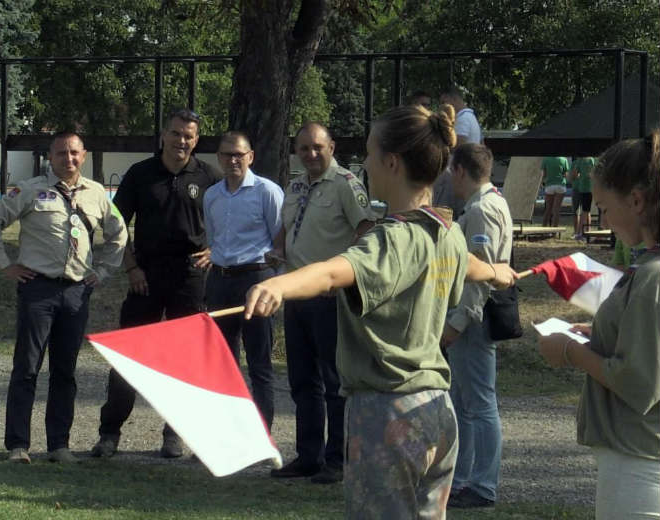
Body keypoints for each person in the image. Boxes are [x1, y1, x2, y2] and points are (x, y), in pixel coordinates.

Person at [244, 104, 515, 519]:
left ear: (391, 161)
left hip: (389, 416)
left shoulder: (393, 237)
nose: (365, 162)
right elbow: (474, 266)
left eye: (370, 152)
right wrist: (497, 271)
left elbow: (337, 270)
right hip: (437, 412)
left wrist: (280, 283)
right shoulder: (448, 231)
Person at [0, 132, 127, 464]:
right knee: (27, 368)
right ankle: (18, 445)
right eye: (62, 153)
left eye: (74, 153)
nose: (68, 159)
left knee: (65, 371)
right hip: (38, 290)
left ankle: (59, 445)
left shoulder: (96, 193)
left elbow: (119, 233)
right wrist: (6, 265)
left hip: (76, 292)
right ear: (51, 156)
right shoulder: (29, 190)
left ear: (84, 155)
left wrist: (101, 273)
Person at [537, 132, 660, 520]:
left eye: (605, 207)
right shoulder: (647, 269)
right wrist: (599, 336)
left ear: (637, 201)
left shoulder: (652, 277)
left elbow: (639, 382)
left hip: (639, 463)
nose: (603, 217)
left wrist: (570, 351)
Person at [91, 109, 221, 459]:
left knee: (185, 360)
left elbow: (231, 221)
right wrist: (131, 267)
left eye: (189, 136)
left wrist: (215, 249)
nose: (182, 141)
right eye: (176, 133)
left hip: (190, 277)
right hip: (144, 277)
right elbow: (116, 228)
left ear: (196, 140)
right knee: (129, 357)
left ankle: (174, 434)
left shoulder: (209, 177)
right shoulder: (140, 174)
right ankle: (109, 433)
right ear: (164, 135)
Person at [266, 122, 374, 485]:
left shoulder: (346, 184)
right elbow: (286, 225)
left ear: (332, 147)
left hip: (330, 297)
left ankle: (337, 459)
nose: (311, 154)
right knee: (301, 380)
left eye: (317, 148)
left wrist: (343, 274)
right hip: (297, 294)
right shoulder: (295, 185)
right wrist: (278, 248)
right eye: (303, 148)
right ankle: (307, 456)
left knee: (333, 381)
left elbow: (365, 231)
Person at [441, 143, 513, 509]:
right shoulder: (486, 204)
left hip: (474, 318)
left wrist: (457, 322)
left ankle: (483, 484)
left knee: (480, 403)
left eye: (450, 170)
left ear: (460, 171)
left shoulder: (482, 210)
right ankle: (463, 478)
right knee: (464, 402)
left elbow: (479, 276)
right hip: (471, 317)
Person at [203, 131, 283, 430]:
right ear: (219, 158)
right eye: (226, 154)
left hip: (256, 279)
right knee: (223, 363)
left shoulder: (267, 191)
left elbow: (279, 241)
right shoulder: (212, 195)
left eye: (239, 154)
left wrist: (276, 285)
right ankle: (226, 431)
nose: (233, 160)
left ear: (251, 156)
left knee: (260, 364)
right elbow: (213, 238)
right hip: (221, 279)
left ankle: (261, 435)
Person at [433, 86, 483, 218]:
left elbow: (457, 145)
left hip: (454, 175)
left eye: (444, 102)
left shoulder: (463, 119)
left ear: (454, 99)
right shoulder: (471, 118)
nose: (442, 106)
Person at [568, 156, 596, 240]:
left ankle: (580, 232)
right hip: (588, 188)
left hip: (582, 188)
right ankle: (581, 233)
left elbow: (574, 175)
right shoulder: (591, 160)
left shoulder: (579, 160)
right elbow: (593, 173)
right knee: (585, 211)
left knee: (585, 211)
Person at [540, 156, 570, 228]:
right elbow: (566, 175)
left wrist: (542, 183)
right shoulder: (564, 159)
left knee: (548, 209)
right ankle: (554, 230)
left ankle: (543, 228)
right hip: (560, 185)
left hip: (549, 185)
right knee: (556, 209)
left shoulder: (546, 159)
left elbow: (543, 174)